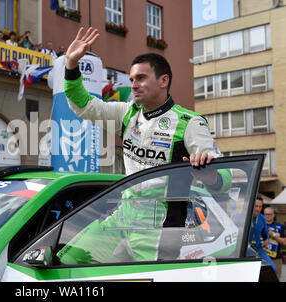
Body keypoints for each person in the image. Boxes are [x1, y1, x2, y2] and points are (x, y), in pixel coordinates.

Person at [64, 27, 226, 175]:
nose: (133, 86)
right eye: (132, 79)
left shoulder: (190, 122)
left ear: (163, 81)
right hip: (126, 207)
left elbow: (225, 175)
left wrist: (210, 176)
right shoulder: (126, 113)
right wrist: (71, 63)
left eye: (141, 78)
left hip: (169, 207)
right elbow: (83, 105)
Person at [250, 197, 277, 274]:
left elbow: (265, 233)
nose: (258, 209)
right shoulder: (243, 216)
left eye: (260, 206)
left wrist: (267, 239)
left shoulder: (262, 218)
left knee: (273, 269)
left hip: (259, 249)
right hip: (246, 250)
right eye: (256, 206)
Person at [263, 206, 285, 280]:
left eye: (269, 214)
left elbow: (284, 242)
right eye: (266, 214)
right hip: (262, 258)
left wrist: (273, 235)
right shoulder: (259, 225)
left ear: (273, 215)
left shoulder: (280, 226)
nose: (267, 216)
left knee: (275, 279)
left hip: (276, 259)